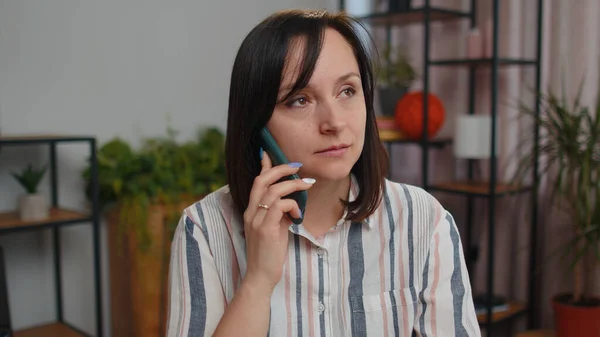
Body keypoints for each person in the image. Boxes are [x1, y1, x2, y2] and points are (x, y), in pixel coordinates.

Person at [166, 9, 480, 337]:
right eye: (300, 100)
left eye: (347, 91)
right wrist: (257, 282)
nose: (334, 122)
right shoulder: (205, 230)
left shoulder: (422, 221)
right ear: (257, 124)